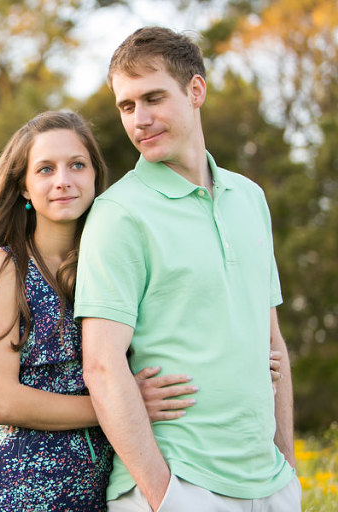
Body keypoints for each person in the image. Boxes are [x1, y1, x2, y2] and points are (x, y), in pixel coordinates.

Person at [74, 27, 300, 511]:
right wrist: (165, 497)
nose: (140, 119)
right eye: (127, 106)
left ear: (195, 91)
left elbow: (272, 343)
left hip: (271, 486)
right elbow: (102, 364)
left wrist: (289, 469)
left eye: (153, 98)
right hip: (182, 483)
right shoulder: (119, 214)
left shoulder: (250, 198)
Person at [0, 111, 200, 511]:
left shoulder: (115, 263)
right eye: (45, 169)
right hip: (16, 489)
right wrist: (123, 404)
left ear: (95, 176)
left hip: (100, 489)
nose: (63, 180)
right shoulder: (3, 267)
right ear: (24, 188)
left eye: (77, 165)